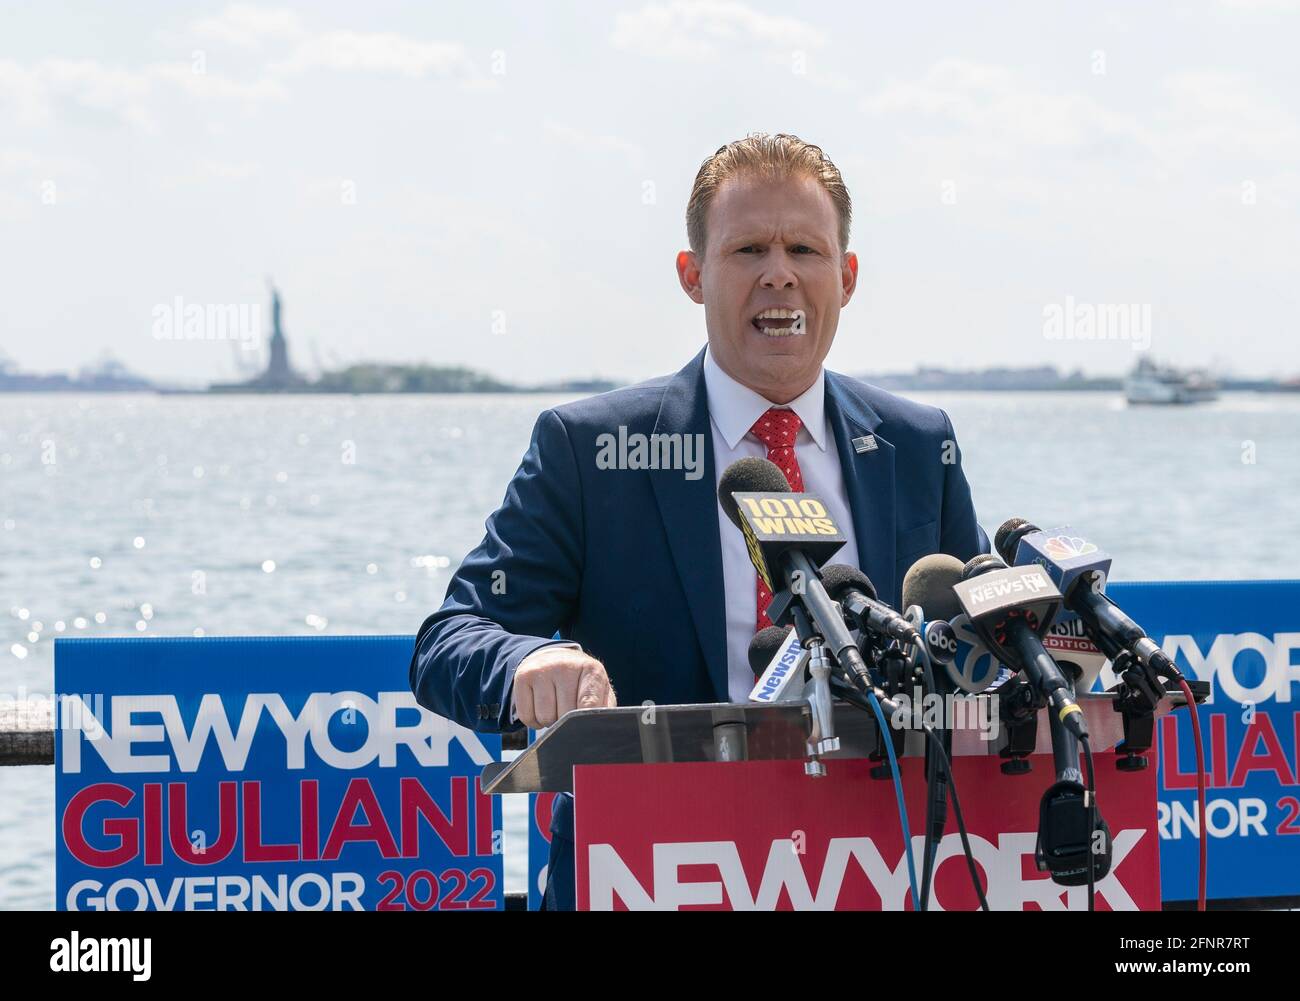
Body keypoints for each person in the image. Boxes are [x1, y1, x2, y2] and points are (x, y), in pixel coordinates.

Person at [410, 133, 989, 909]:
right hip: (651, 872)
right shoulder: (589, 451)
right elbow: (449, 639)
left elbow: (975, 647)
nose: (779, 273)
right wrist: (523, 668)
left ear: (846, 278)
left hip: (874, 866)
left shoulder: (918, 446)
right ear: (693, 275)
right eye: (748, 248)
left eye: (805, 250)